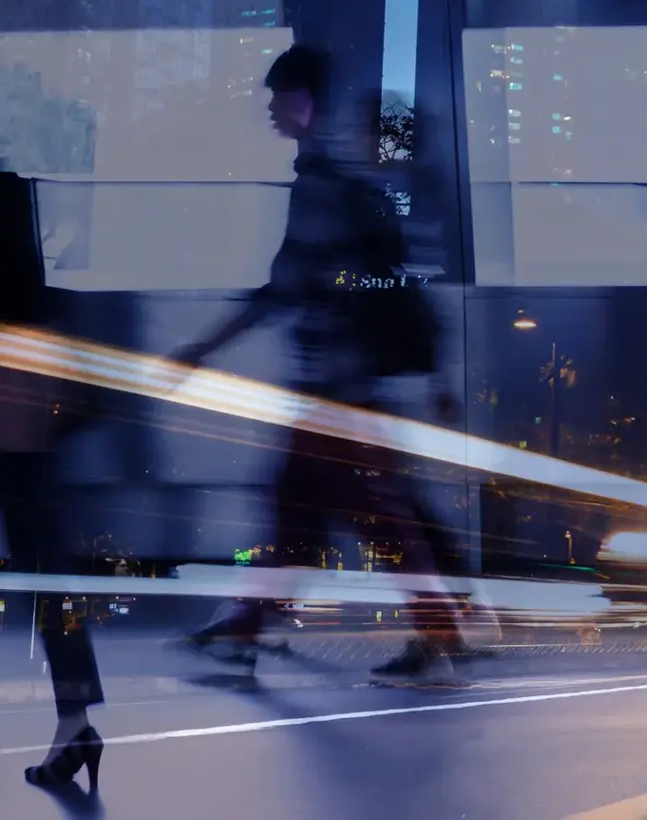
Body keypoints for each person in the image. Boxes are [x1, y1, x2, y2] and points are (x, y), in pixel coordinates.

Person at [171, 45, 464, 682]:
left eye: (279, 98)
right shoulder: (330, 181)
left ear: (305, 100)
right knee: (300, 512)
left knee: (372, 518)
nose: (271, 111)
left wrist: (201, 349)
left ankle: (436, 634)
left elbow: (289, 289)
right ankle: (248, 627)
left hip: (340, 388)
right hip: (333, 385)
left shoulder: (325, 186)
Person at [0, 170, 107, 793]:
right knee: (43, 561)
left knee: (42, 560)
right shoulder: (13, 191)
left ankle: (75, 723)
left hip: (15, 401)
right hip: (24, 401)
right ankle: (75, 722)